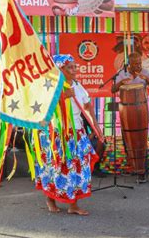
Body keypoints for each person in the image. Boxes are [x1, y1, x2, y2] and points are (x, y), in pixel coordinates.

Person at [35, 54, 100, 215]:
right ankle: (50, 199)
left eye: (75, 66)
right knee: (56, 167)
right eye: (70, 67)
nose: (74, 70)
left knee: (78, 167)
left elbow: (88, 106)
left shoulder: (77, 85)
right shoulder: (51, 87)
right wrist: (64, 96)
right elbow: (45, 109)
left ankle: (73, 205)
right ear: (60, 70)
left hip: (77, 133)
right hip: (57, 135)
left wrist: (96, 128)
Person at [112, 52, 149, 182]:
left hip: (141, 110)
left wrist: (147, 80)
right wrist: (121, 82)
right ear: (129, 63)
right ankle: (132, 167)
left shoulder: (146, 72)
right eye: (135, 64)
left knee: (141, 140)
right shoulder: (121, 73)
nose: (138, 66)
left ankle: (142, 171)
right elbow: (113, 90)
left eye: (139, 63)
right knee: (128, 138)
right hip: (126, 111)